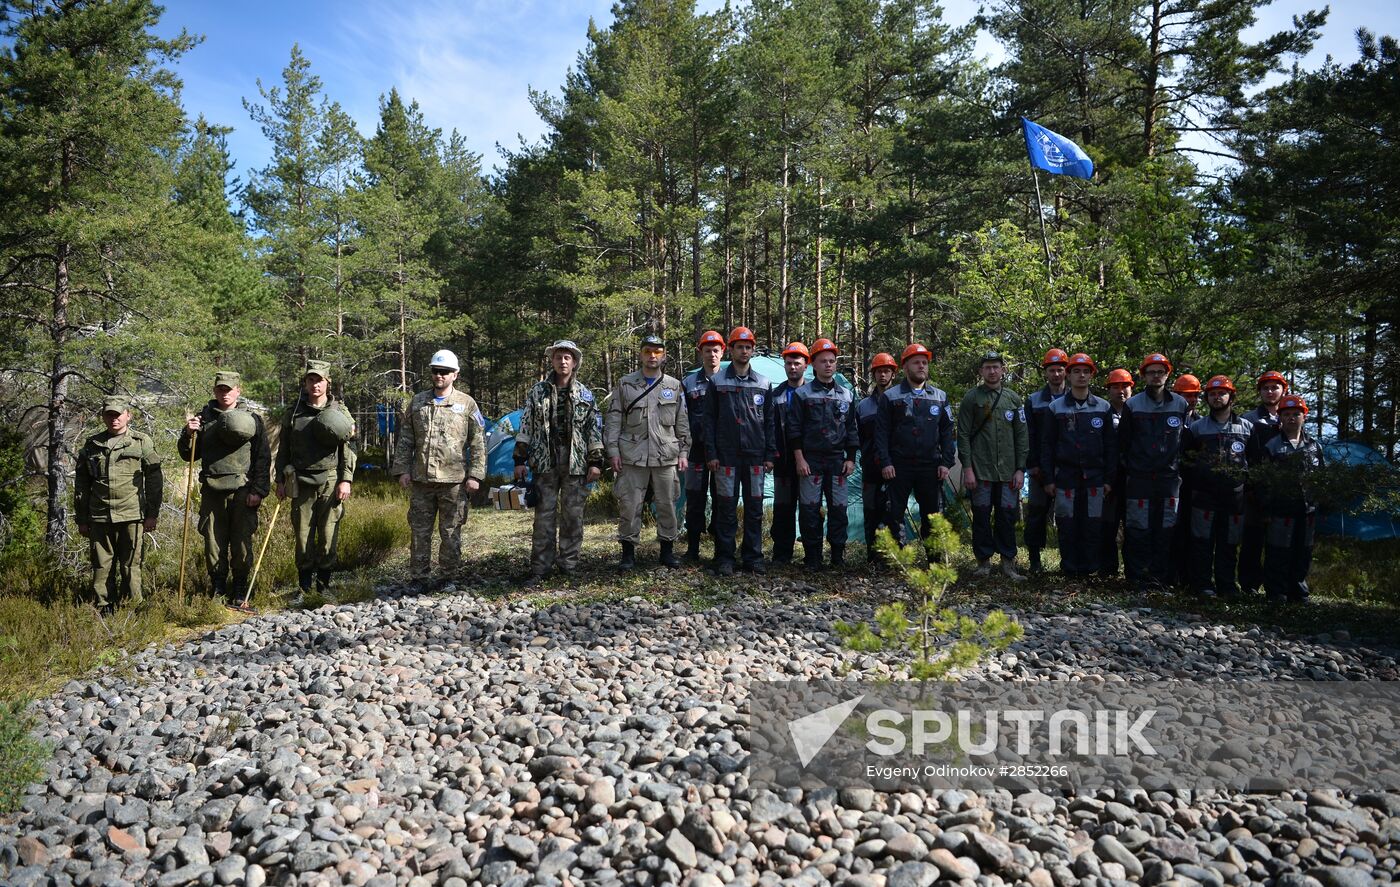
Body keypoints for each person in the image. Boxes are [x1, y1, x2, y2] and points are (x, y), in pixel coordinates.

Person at [391, 349, 486, 589]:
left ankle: (448, 577)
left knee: (451, 531)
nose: (439, 376)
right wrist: (402, 470)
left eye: (444, 372)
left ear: (455, 374)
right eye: (435, 371)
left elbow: (478, 442)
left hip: (453, 482)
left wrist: (475, 475)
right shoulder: (418, 402)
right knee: (419, 532)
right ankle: (419, 578)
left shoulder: (466, 404)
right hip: (422, 480)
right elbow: (406, 439)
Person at [514, 339, 605, 586]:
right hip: (545, 461)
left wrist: (595, 462)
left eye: (567, 357)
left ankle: (569, 565)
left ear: (574, 362)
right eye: (558, 357)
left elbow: (593, 430)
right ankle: (540, 567)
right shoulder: (537, 391)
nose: (562, 361)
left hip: (576, 462)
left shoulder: (585, 394)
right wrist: (520, 459)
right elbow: (526, 425)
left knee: (573, 515)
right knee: (544, 516)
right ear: (552, 361)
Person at [178, 371, 271, 604]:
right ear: (214, 391)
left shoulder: (252, 420)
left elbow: (262, 457)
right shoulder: (202, 420)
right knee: (213, 541)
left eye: (229, 389)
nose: (224, 393)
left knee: (241, 541)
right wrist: (188, 434)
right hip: (212, 489)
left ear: (238, 390)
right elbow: (187, 455)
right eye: (220, 389)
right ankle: (218, 589)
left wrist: (258, 490)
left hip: (243, 490)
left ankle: (240, 589)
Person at [605, 335, 690, 570]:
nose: (652, 356)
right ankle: (628, 553)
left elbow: (681, 421)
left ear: (663, 356)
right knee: (630, 505)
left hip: (666, 455)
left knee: (667, 504)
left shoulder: (673, 386)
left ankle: (667, 551)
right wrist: (613, 451)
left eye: (657, 352)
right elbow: (613, 419)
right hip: (633, 455)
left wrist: (684, 452)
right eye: (648, 351)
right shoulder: (625, 384)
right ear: (641, 354)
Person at [74, 396, 162, 614]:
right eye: (109, 414)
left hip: (132, 513)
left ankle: (134, 605)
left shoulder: (141, 442)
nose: (114, 419)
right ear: (103, 416)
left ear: (128, 415)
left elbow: (154, 480)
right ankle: (104, 605)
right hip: (100, 514)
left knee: (131, 564)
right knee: (102, 564)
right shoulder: (93, 444)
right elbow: (82, 484)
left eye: (118, 414)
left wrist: (152, 513)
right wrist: (82, 519)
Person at [275, 360, 357, 593]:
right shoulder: (294, 413)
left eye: (319, 380)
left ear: (327, 382)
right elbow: (283, 449)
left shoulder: (339, 412)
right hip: (300, 482)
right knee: (302, 537)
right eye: (311, 379)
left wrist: (345, 479)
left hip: (330, 480)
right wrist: (280, 480)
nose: (315, 385)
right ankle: (304, 589)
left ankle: (323, 587)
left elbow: (348, 450)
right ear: (305, 382)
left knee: (328, 533)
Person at [704, 326, 776, 576]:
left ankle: (753, 557)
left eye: (748, 347)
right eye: (739, 347)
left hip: (756, 456)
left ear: (753, 351)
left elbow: (770, 422)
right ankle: (725, 557)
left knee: (755, 508)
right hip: (726, 456)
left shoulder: (764, 384)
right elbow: (708, 421)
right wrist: (711, 454)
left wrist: (769, 454)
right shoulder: (717, 381)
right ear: (731, 350)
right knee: (726, 507)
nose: (744, 351)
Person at [1118, 353, 1192, 592]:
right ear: (1144, 376)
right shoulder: (1133, 404)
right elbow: (1124, 442)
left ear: (1167, 374)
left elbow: (1185, 444)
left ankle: (1161, 578)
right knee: (1138, 527)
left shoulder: (1180, 404)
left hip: (1169, 479)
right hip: (1139, 477)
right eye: (1151, 372)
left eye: (1160, 371)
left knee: (1166, 528)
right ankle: (1136, 576)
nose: (1156, 376)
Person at [1040, 353, 1118, 576]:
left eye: (1086, 371)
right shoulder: (1056, 408)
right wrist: (1048, 479)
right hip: (1065, 476)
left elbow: (1111, 447)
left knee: (1092, 523)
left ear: (1091, 375)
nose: (1081, 376)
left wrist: (1109, 480)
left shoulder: (1103, 408)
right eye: (1076, 371)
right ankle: (1069, 568)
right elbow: (1047, 446)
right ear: (1069, 374)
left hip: (1095, 477)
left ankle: (1091, 568)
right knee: (1067, 523)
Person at [956, 351, 1028, 580]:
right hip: (981, 470)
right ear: (981, 371)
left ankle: (1008, 564)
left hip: (1008, 472)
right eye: (987, 367)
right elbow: (963, 435)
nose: (992, 371)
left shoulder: (1013, 399)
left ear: (1003, 370)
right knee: (981, 516)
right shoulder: (972, 398)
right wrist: (967, 468)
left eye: (996, 367)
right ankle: (984, 562)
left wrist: (1020, 469)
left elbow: (1022, 436)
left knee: (1007, 517)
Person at [874, 343, 955, 545]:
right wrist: (885, 462)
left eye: (924, 363)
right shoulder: (890, 397)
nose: (921, 366)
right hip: (898, 466)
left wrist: (946, 462)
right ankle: (897, 562)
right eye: (916, 362)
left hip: (930, 466)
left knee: (933, 515)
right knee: (894, 514)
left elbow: (947, 432)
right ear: (905, 367)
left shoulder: (940, 397)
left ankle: (935, 564)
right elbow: (881, 433)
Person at [1181, 375, 1254, 597]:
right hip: (1204, 495)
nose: (1217, 397)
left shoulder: (1247, 428)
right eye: (1212, 394)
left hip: (1235, 496)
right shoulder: (1197, 428)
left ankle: (1227, 585)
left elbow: (1256, 463)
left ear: (1231, 396)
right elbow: (1186, 460)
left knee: (1229, 544)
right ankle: (1202, 584)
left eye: (1221, 393)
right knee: (1201, 542)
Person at [789, 338, 858, 568]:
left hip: (838, 461)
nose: (828, 365)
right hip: (811, 461)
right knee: (809, 510)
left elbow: (851, 429)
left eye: (832, 361)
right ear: (813, 365)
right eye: (823, 361)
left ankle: (837, 556)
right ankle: (813, 557)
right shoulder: (803, 394)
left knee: (838, 510)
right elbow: (794, 428)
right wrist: (799, 458)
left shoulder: (847, 395)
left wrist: (850, 458)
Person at [1256, 394, 1324, 603]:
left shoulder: (1314, 446)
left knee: (1303, 552)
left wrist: (1320, 503)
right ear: (1280, 418)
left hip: (1307, 510)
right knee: (1278, 552)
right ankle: (1276, 593)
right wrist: (1266, 509)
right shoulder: (1272, 446)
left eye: (1296, 414)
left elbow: (1322, 478)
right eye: (1287, 414)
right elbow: (1263, 480)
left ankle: (1299, 593)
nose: (1292, 418)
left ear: (1304, 417)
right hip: (1280, 510)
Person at [1239, 370, 1289, 595]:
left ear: (1283, 390)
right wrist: (1248, 485)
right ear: (1260, 391)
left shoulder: (1291, 416)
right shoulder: (1249, 419)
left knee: (1280, 542)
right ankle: (1249, 585)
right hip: (1255, 489)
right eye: (1265, 388)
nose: (1270, 392)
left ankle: (1276, 587)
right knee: (1252, 538)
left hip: (1283, 490)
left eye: (1274, 387)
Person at [682, 330, 726, 563]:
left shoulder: (729, 379)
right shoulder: (688, 383)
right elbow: (681, 418)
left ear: (722, 352)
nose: (712, 355)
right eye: (707, 351)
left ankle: (720, 550)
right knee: (695, 498)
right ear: (701, 353)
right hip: (696, 451)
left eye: (716, 350)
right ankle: (692, 549)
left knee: (721, 500)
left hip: (722, 452)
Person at [1024, 348, 1069, 572]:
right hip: (1040, 469)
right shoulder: (1033, 401)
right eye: (1052, 370)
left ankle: (1067, 561)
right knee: (1036, 513)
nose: (1056, 374)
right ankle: (1034, 560)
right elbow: (1029, 435)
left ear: (1066, 372)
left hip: (1067, 469)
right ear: (1046, 373)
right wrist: (1032, 465)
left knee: (1065, 516)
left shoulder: (1075, 398)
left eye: (1060, 370)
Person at [770, 342, 809, 564]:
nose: (792, 367)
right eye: (788, 363)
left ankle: (811, 554)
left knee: (809, 509)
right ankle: (782, 553)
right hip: (783, 463)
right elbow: (769, 428)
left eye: (797, 363)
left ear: (806, 365)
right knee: (783, 509)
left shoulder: (814, 393)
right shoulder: (776, 395)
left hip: (809, 464)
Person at [857, 353, 898, 561]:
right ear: (873, 374)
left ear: (893, 374)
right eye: (878, 371)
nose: (882, 375)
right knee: (871, 511)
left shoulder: (900, 401)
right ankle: (872, 557)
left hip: (895, 467)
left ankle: (894, 557)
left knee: (893, 512)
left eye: (886, 371)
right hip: (871, 468)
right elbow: (858, 436)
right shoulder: (863, 406)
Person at [1168, 372, 1202, 587]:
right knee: (1171, 530)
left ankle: (1190, 577)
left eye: (1193, 396)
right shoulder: (1168, 419)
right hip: (1170, 482)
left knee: (1193, 533)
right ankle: (1172, 575)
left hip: (1194, 486)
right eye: (1184, 395)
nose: (1189, 400)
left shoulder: (1201, 423)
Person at [1099, 368, 1133, 577]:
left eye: (1124, 386)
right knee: (1107, 525)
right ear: (1108, 390)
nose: (1120, 391)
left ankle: (1132, 570)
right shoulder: (1102, 413)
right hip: (1109, 480)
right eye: (1115, 387)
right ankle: (1107, 569)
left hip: (1133, 479)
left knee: (1133, 526)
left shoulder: (1139, 411)